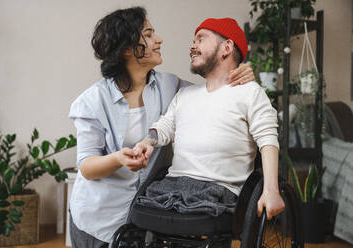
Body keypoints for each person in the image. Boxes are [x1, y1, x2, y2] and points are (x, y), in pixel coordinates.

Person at [68, 7, 255, 248]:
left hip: (147, 213)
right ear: (127, 49)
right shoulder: (91, 101)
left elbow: (215, 91)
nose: (159, 39)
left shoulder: (171, 87)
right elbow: (87, 167)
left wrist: (241, 71)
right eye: (148, 34)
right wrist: (118, 159)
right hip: (97, 218)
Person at [134, 17, 285, 220]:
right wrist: (146, 141)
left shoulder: (250, 92)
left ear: (227, 47)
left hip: (221, 190)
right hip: (173, 184)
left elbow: (267, 138)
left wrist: (271, 191)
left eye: (200, 39)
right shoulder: (185, 94)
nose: (192, 46)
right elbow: (165, 127)